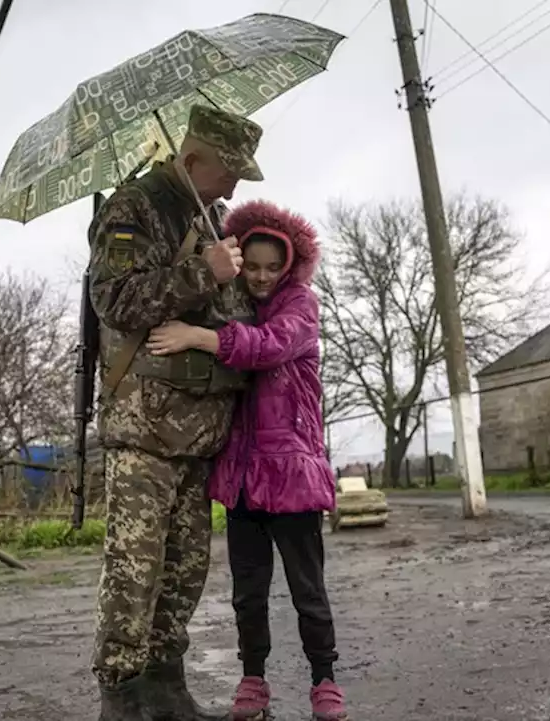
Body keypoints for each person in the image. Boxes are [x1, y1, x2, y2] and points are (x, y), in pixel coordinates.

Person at [86, 104, 265, 721]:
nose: (237, 186)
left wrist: (240, 289)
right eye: (231, 172)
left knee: (186, 571)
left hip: (198, 429)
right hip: (143, 426)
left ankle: (166, 690)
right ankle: (121, 695)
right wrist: (200, 272)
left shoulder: (213, 218)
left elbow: (231, 317)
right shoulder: (129, 208)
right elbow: (115, 300)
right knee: (134, 571)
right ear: (192, 161)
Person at [146, 199, 349, 721]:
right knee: (247, 593)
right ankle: (252, 680)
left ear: (289, 266)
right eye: (251, 266)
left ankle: (324, 681)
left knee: (308, 588)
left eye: (271, 268)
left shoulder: (301, 307)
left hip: (292, 474)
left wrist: (198, 337)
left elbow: (266, 347)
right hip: (241, 477)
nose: (260, 277)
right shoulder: (230, 302)